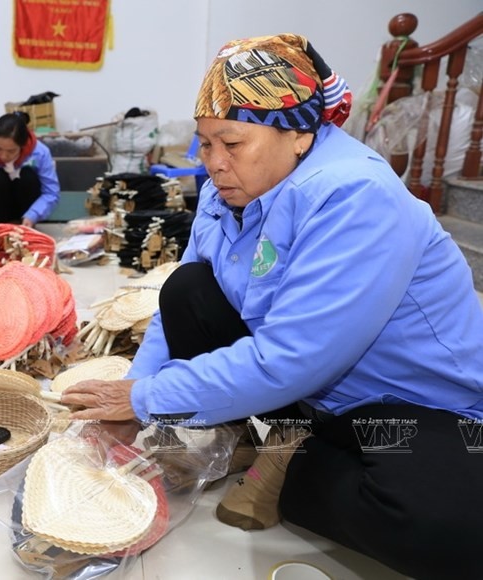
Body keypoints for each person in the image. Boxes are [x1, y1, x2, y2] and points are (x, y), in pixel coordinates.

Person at [61, 33, 483, 579]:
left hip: (406, 403)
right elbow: (178, 309)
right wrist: (132, 397)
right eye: (205, 143)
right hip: (308, 393)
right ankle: (282, 442)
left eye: (231, 143)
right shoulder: (227, 188)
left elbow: (293, 358)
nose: (213, 163)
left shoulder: (356, 196)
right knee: (187, 288)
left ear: (300, 135)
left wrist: (146, 399)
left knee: (445, 529)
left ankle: (283, 456)